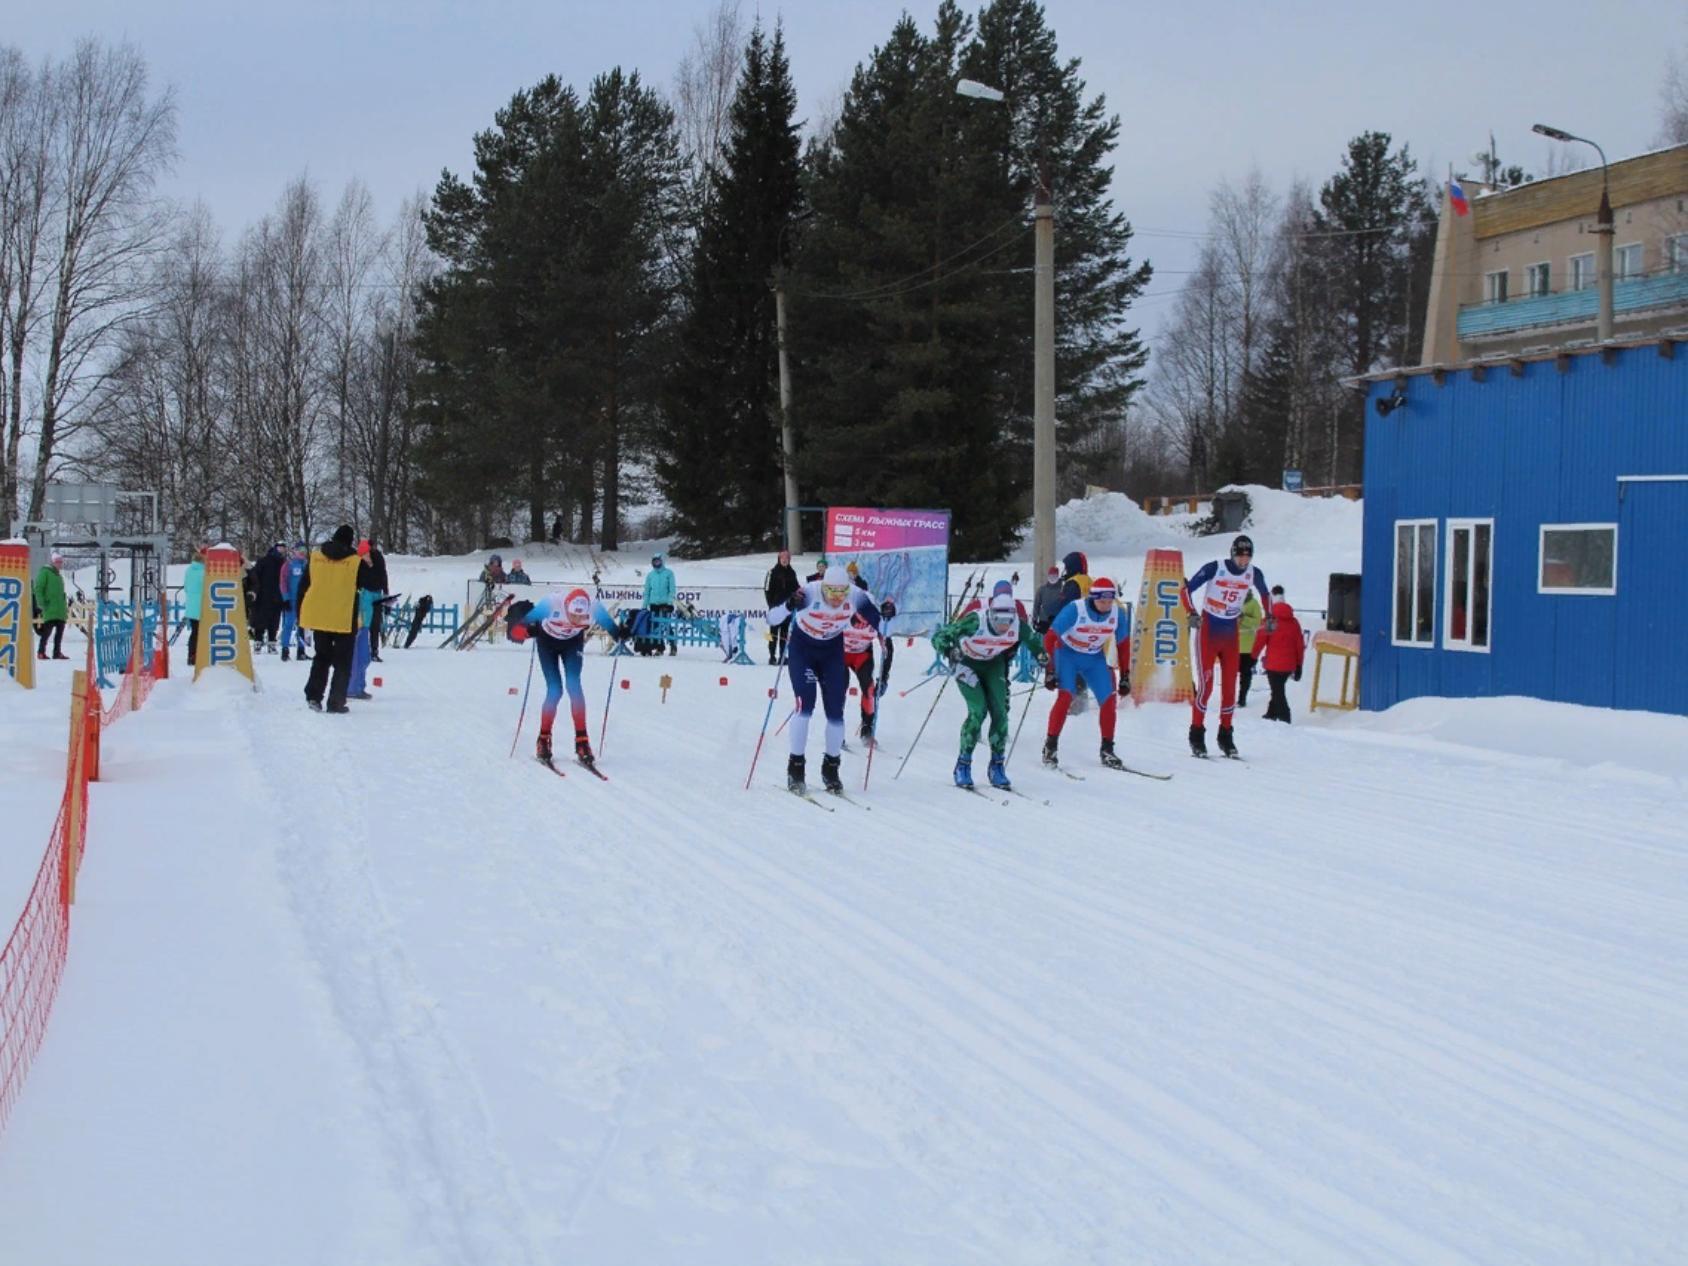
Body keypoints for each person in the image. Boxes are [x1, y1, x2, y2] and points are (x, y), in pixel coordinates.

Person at [766, 564, 893, 794]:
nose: (837, 598)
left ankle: (831, 769)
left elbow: (883, 626)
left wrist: (887, 614)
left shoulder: (856, 595)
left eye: (841, 593)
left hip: (832, 651)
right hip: (803, 650)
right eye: (832, 592)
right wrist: (788, 605)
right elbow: (772, 619)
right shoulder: (809, 593)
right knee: (805, 706)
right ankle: (796, 767)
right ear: (823, 588)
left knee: (835, 712)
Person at [933, 592, 1045, 790]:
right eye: (999, 620)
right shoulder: (976, 621)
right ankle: (963, 764)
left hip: (993, 664)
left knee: (1001, 712)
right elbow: (940, 636)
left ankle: (997, 765)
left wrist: (1043, 655)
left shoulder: (1017, 625)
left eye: (1008, 621)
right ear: (991, 615)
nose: (1004, 626)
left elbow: (1034, 641)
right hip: (967, 664)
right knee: (979, 711)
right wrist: (949, 651)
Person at [506, 587, 618, 767]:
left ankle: (582, 741)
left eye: (581, 617)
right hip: (547, 643)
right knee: (555, 690)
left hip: (572, 644)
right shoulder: (550, 603)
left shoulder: (594, 606)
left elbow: (615, 630)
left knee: (574, 685)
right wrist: (529, 631)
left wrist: (624, 633)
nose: (576, 620)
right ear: (565, 606)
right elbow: (516, 632)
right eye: (573, 615)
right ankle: (543, 738)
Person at [1185, 533, 1272, 758]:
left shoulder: (1253, 573)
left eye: (1248, 557)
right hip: (1209, 630)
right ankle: (1197, 734)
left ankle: (1225, 734)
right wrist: (1191, 613)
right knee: (1206, 686)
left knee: (1230, 689)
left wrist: (1269, 616)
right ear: (1232, 554)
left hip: (1230, 632)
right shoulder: (1216, 567)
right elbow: (1186, 588)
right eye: (1240, 556)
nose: (1244, 561)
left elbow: (1265, 593)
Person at [1041, 577, 1131, 770]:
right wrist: (1050, 670)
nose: (1106, 606)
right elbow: (1049, 638)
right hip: (1067, 655)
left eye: (1109, 601)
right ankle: (1050, 747)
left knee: (1108, 699)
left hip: (1093, 658)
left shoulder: (1118, 614)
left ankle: (1107, 749)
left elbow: (1123, 646)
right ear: (1093, 598)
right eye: (1102, 601)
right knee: (1065, 697)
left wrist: (1125, 675)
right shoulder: (1076, 609)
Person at [297, 525, 363, 713]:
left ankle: (313, 696)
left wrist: (300, 612)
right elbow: (370, 583)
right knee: (343, 662)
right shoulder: (355, 562)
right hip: (344, 617)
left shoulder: (316, 558)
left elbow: (303, 586)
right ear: (350, 541)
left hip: (320, 617)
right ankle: (336, 702)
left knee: (321, 658)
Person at [842, 608, 894, 743]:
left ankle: (867, 730)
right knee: (838, 689)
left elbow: (888, 650)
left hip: (862, 655)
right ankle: (836, 729)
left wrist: (884, 678)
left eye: (866, 623)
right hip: (840, 654)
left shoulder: (876, 619)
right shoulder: (842, 614)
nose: (862, 626)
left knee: (869, 689)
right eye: (858, 622)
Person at [1258, 585, 1305, 723]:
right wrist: (1299, 665)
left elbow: (1260, 640)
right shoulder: (1294, 622)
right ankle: (1271, 713)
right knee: (1278, 688)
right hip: (1288, 665)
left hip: (1273, 663)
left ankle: (1285, 717)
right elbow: (1299, 646)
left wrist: (1252, 656)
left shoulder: (1269, 620)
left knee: (1278, 691)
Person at [762, 548, 800, 665]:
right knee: (772, 634)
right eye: (782, 558)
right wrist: (772, 605)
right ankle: (772, 655)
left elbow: (796, 588)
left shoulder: (792, 573)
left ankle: (783, 656)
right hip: (775, 609)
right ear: (779, 559)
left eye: (787, 558)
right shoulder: (771, 572)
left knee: (784, 634)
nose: (785, 560)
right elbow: (767, 589)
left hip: (787, 609)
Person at [250, 542, 286, 653]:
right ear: (275, 548)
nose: (281, 550)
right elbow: (254, 576)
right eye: (279, 548)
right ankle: (258, 642)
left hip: (277, 596)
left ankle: (271, 643)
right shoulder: (264, 561)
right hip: (263, 596)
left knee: (274, 621)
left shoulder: (283, 563)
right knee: (260, 621)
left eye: (283, 548)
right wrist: (255, 591)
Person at [32, 552, 69, 659]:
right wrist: (42, 603)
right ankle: (41, 652)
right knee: (46, 633)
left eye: (60, 562)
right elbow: (38, 588)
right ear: (52, 562)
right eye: (57, 562)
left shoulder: (59, 576)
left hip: (60, 610)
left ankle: (57, 652)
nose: (59, 564)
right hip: (50, 608)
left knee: (59, 633)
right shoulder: (45, 572)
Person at [279, 542, 310, 661]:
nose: (302, 552)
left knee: (302, 625)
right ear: (294, 551)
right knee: (288, 625)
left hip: (304, 601)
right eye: (299, 549)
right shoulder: (289, 565)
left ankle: (301, 651)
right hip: (291, 600)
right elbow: (283, 582)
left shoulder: (307, 565)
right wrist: (285, 598)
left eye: (304, 549)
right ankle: (285, 650)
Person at [643, 552, 678, 655]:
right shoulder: (650, 575)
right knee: (655, 626)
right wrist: (644, 606)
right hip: (653, 604)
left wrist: (669, 603)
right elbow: (647, 591)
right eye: (654, 561)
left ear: (662, 561)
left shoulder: (669, 573)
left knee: (666, 625)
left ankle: (673, 646)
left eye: (658, 561)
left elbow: (672, 590)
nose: (656, 563)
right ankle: (659, 647)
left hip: (665, 604)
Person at [1237, 590, 1265, 708]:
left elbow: (1258, 623)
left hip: (1247, 646)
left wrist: (1243, 618)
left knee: (1245, 674)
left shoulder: (1254, 604)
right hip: (1232, 644)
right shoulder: (1231, 601)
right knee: (1230, 674)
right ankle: (1227, 697)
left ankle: (1242, 698)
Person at [364, 538, 390, 661]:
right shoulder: (363, 558)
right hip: (366, 593)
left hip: (376, 593)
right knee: (365, 624)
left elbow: (383, 575)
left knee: (375, 624)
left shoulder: (378, 558)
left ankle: (374, 650)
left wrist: (386, 593)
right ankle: (365, 650)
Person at [182, 550, 206, 666]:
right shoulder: (204, 572)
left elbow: (186, 587)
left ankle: (191, 656)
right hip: (202, 606)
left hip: (191, 607)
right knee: (202, 633)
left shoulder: (188, 570)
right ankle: (200, 656)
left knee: (194, 632)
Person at [1032, 564, 1066, 634]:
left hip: (1058, 622)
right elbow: (1036, 605)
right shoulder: (1042, 589)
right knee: (1043, 642)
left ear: (1058, 576)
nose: (1052, 578)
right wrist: (1034, 619)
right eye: (1050, 576)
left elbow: (1066, 606)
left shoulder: (1063, 590)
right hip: (1043, 622)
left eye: (1054, 576)